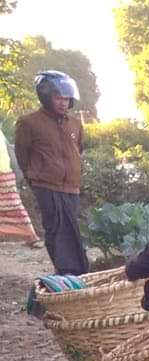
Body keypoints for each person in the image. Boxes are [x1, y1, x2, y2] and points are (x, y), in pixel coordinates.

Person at [14, 71, 89, 275]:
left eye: (66, 98)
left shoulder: (75, 124)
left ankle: (78, 272)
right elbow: (22, 153)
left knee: (72, 228)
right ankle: (64, 271)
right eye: (58, 98)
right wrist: (34, 176)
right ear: (46, 97)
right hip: (46, 185)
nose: (63, 103)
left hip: (71, 187)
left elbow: (78, 149)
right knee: (55, 229)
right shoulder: (29, 122)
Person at [0, 132, 41, 246]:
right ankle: (30, 236)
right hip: (5, 172)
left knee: (13, 205)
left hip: (3, 172)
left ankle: (30, 235)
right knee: (13, 205)